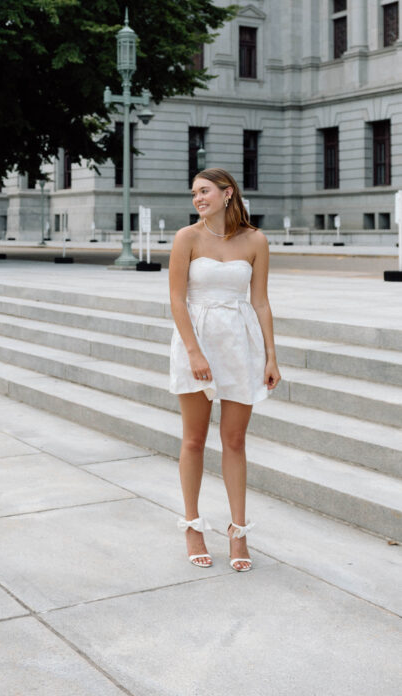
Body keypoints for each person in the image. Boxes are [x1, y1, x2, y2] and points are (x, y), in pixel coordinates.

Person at [169, 167, 280, 572]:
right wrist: (194, 352)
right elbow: (178, 300)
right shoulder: (187, 238)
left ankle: (238, 531)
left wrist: (270, 355)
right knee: (194, 440)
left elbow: (262, 302)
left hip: (240, 344)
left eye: (204, 191)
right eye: (194, 193)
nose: (198, 199)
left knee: (234, 441)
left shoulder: (255, 240)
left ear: (227, 193)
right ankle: (193, 525)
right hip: (196, 342)